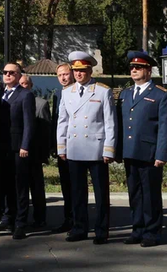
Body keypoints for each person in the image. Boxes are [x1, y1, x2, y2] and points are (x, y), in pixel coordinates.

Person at [118, 50, 167, 247]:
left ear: (148, 71)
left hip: (150, 154)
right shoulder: (125, 94)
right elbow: (121, 124)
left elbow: (166, 128)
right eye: (132, 67)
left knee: (150, 194)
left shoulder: (161, 95)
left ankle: (152, 232)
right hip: (130, 151)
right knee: (134, 194)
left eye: (138, 67)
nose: (134, 70)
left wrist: (162, 154)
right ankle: (138, 229)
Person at [57, 51, 116, 244]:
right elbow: (62, 122)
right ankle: (79, 228)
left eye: (82, 70)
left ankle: (101, 230)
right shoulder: (67, 92)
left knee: (100, 194)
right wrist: (61, 147)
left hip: (96, 148)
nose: (78, 74)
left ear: (90, 70)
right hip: (75, 148)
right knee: (77, 193)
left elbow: (110, 122)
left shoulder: (102, 91)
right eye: (75, 71)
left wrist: (109, 148)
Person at [0, 61, 35, 239]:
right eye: (5, 72)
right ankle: (9, 218)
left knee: (20, 187)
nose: (8, 75)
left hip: (18, 147)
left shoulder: (25, 95)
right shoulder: (0, 94)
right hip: (3, 148)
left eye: (12, 73)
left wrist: (25, 145)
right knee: (6, 185)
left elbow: (29, 123)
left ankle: (21, 223)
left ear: (19, 76)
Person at [19, 73, 50, 228]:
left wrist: (43, 154)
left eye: (25, 84)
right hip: (18, 154)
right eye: (21, 84)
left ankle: (40, 218)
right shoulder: (13, 101)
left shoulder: (41, 104)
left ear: (30, 86)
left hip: (34, 154)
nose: (23, 86)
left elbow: (45, 132)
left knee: (36, 188)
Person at [50, 61, 75, 233]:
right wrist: (55, 145)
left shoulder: (78, 92)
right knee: (66, 185)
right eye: (59, 75)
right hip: (63, 147)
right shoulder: (58, 94)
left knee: (76, 186)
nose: (63, 78)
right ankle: (69, 218)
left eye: (65, 74)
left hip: (78, 146)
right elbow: (56, 122)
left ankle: (78, 219)